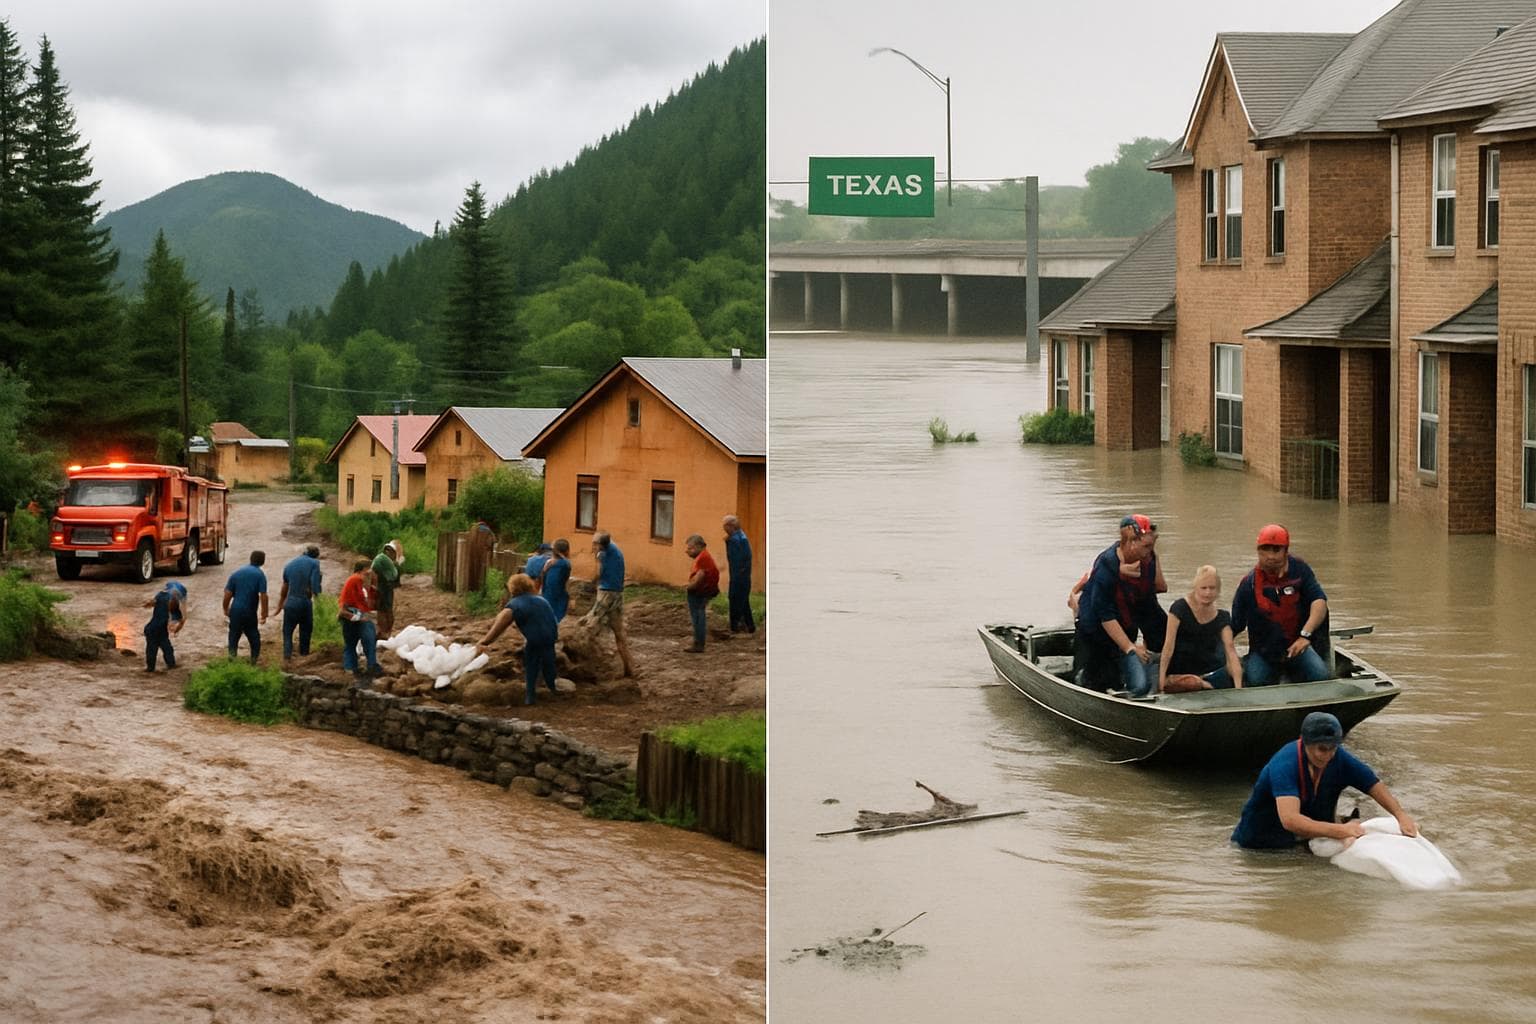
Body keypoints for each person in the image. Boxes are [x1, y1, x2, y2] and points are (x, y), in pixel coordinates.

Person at [1232, 712, 1418, 849]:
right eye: (1322, 749)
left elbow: (1372, 784)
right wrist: (1342, 831)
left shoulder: (1339, 758)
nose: (1328, 755)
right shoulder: (1285, 764)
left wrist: (1400, 815)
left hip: (1305, 840)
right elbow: (1290, 820)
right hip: (1259, 845)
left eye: (1333, 748)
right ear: (1305, 742)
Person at [1230, 524, 1330, 685]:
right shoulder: (1248, 585)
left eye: (1276, 550)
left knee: (1320, 676)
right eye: (1265, 550)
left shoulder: (1301, 571)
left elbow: (1319, 601)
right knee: (1256, 681)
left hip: (1298, 646)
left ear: (1285, 551)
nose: (1270, 556)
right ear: (1258, 551)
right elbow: (1235, 624)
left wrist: (1305, 636)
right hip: (1265, 652)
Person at [1073, 515, 1158, 696]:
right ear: (1130, 542)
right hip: (1096, 636)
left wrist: (1144, 644)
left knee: (1141, 685)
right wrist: (1129, 647)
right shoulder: (1106, 565)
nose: (1150, 552)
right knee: (1097, 684)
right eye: (1146, 546)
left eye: (1153, 545)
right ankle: (1084, 677)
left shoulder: (1148, 561)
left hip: (1125, 632)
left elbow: (1149, 604)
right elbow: (1105, 614)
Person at [477, 573, 559, 705]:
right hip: (551, 637)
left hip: (534, 639)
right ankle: (552, 689)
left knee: (532, 665)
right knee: (549, 663)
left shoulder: (514, 605)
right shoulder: (542, 600)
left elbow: (499, 627)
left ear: (512, 588)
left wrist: (485, 641)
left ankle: (530, 696)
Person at [1158, 565, 1244, 693]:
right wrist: (1161, 682)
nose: (1208, 593)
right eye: (1203, 588)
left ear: (1218, 590)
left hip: (1209, 671)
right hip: (1181, 673)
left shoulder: (1222, 616)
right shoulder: (1179, 608)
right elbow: (1168, 647)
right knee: (1193, 683)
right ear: (1196, 588)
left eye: (1212, 588)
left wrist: (1239, 689)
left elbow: (1230, 650)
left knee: (1243, 671)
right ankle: (1201, 684)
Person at [582, 531, 635, 677]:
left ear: (600, 545)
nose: (592, 545)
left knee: (589, 626)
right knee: (619, 632)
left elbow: (598, 572)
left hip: (606, 594)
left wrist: (591, 584)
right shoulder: (615, 549)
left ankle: (583, 664)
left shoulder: (602, 554)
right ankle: (628, 668)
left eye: (594, 543)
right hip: (617, 593)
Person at [278, 544, 324, 660]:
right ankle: (304, 655)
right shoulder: (314, 563)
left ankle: (287, 656)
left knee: (287, 632)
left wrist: (281, 603)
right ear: (315, 556)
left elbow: (285, 586)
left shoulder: (289, 565)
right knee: (306, 630)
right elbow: (314, 585)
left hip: (291, 602)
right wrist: (319, 599)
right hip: (304, 602)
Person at [338, 558, 382, 679]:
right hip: (355, 615)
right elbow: (351, 603)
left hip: (353, 615)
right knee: (368, 641)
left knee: (351, 644)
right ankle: (371, 666)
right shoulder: (357, 579)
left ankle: (351, 669)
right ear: (364, 570)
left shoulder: (358, 581)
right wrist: (356, 616)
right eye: (369, 570)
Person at [222, 550, 268, 662]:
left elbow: (227, 594)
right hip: (250, 611)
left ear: (250, 559)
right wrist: (264, 614)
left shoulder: (236, 573)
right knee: (253, 635)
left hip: (236, 610)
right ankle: (254, 660)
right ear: (262, 562)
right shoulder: (260, 575)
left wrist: (225, 608)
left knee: (233, 636)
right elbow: (263, 595)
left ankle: (232, 660)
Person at [683, 533, 721, 653]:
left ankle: (699, 643)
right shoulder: (704, 556)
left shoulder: (703, 558)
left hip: (699, 592)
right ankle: (698, 642)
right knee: (699, 617)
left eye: (690, 548)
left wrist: (689, 587)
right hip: (703, 591)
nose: (687, 551)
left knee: (698, 618)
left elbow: (700, 576)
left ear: (699, 546)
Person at [141, 581, 186, 672]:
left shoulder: (161, 595)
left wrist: (148, 603)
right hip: (158, 629)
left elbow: (152, 602)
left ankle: (151, 668)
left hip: (154, 629)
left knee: (153, 650)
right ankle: (170, 665)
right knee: (166, 648)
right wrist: (177, 628)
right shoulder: (172, 599)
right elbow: (182, 618)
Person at [722, 514, 756, 634]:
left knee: (735, 599)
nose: (723, 528)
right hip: (740, 575)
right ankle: (748, 626)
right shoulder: (739, 537)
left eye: (724, 526)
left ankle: (735, 627)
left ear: (731, 526)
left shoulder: (737, 540)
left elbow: (743, 558)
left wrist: (738, 575)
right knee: (742, 600)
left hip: (739, 576)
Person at [370, 540, 403, 639]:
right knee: (384, 611)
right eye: (388, 550)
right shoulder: (382, 560)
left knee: (385, 611)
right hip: (383, 589)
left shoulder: (386, 562)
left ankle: (384, 632)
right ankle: (383, 632)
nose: (389, 553)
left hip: (385, 589)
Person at [542, 539, 573, 623]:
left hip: (547, 595)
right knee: (556, 619)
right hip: (558, 596)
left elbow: (544, 578)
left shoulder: (548, 563)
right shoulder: (565, 564)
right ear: (567, 551)